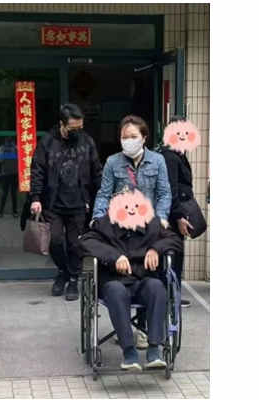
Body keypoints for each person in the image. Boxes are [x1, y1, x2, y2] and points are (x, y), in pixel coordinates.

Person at [90, 114, 172, 347]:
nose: (128, 141)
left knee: (149, 272)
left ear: (144, 138)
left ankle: (144, 328)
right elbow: (104, 193)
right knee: (122, 275)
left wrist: (162, 219)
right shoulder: (113, 162)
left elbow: (164, 193)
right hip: (122, 227)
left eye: (133, 136)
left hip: (149, 228)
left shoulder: (157, 161)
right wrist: (97, 218)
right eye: (124, 137)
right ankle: (124, 326)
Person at [80, 188, 183, 371]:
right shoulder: (105, 224)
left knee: (157, 287)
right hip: (115, 281)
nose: (131, 210)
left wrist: (156, 249)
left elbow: (175, 240)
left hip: (143, 281)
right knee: (116, 291)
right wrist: (115, 257)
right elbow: (85, 242)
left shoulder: (152, 223)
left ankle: (154, 351)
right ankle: (129, 353)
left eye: (136, 205)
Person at [29, 103, 102, 301]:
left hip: (79, 203)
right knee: (55, 240)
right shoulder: (47, 142)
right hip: (53, 202)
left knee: (75, 244)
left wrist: (102, 197)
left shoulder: (87, 142)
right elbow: (37, 170)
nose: (77, 132)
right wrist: (35, 197)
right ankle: (63, 271)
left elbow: (96, 171)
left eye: (80, 127)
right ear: (62, 124)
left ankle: (73, 279)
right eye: (73, 128)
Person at [159, 116, 204, 308]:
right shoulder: (169, 156)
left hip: (175, 213)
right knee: (173, 256)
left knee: (176, 255)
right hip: (171, 216)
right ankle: (170, 297)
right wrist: (178, 217)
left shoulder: (177, 153)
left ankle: (172, 295)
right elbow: (171, 190)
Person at [0, 137, 18, 218]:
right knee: (4, 193)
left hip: (14, 173)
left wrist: (14, 150)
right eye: (7, 140)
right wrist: (4, 152)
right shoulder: (1, 148)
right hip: (6, 173)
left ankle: (14, 212)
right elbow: (0, 160)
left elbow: (19, 158)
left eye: (10, 140)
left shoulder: (16, 148)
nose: (9, 142)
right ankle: (1, 212)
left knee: (13, 193)